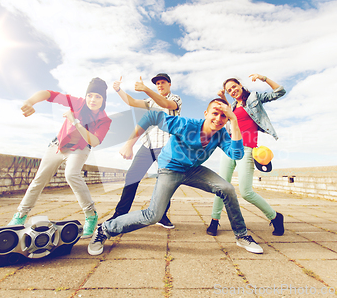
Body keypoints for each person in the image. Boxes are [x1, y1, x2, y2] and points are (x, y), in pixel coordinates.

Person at [88, 98, 264, 256]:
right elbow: (151, 117)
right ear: (206, 114)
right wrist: (129, 144)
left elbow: (237, 154)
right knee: (153, 215)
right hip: (170, 168)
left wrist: (234, 120)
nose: (218, 119)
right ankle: (105, 230)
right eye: (215, 114)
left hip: (193, 169)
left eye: (224, 116)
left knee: (227, 188)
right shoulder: (186, 125)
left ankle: (242, 236)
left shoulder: (221, 134)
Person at [8, 78, 112, 239]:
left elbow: (95, 141)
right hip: (58, 146)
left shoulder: (104, 119)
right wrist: (30, 101)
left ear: (104, 99)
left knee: (71, 174)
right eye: (90, 95)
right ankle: (20, 214)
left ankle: (91, 216)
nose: (92, 100)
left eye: (98, 97)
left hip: (80, 149)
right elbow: (49, 94)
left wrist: (75, 121)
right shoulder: (77, 103)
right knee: (39, 179)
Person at [206, 74, 286, 237]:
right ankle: (214, 220)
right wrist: (222, 99)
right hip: (230, 148)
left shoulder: (254, 98)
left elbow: (280, 91)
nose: (232, 91)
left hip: (247, 149)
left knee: (246, 191)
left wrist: (263, 78)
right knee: (221, 186)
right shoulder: (233, 107)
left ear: (240, 85)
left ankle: (275, 217)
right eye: (229, 90)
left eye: (234, 87)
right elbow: (230, 118)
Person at [108, 73, 182, 228]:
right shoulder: (150, 101)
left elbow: (166, 104)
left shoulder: (175, 99)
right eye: (157, 84)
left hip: (167, 146)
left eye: (162, 83)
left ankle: (161, 215)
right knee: (132, 177)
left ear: (169, 84)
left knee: (164, 182)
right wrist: (118, 90)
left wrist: (146, 89)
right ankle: (119, 215)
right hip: (148, 145)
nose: (160, 85)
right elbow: (132, 101)